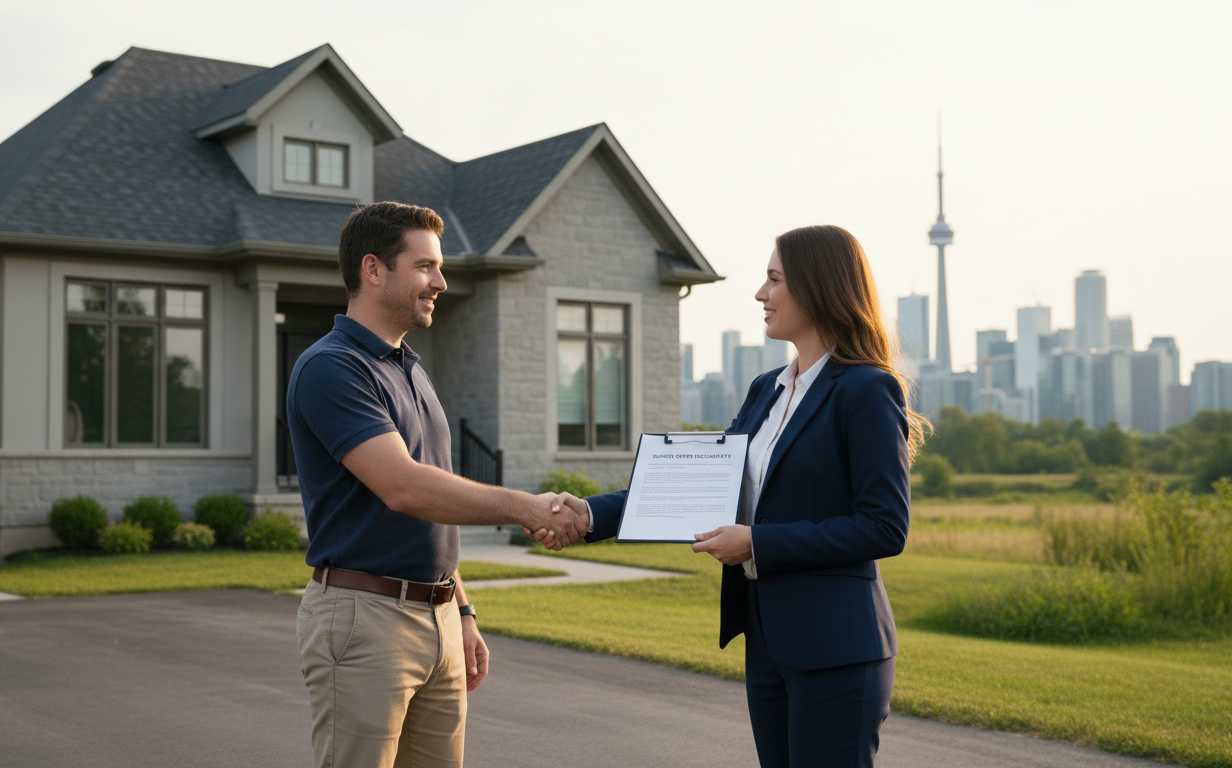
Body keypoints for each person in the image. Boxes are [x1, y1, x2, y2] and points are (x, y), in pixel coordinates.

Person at [544, 225, 927, 767]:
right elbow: (696, 486)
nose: (760, 294)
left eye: (774, 280)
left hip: (837, 649)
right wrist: (587, 514)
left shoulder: (866, 388)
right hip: (768, 640)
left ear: (817, 287)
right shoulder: (765, 389)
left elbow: (884, 527)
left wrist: (757, 543)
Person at [287, 201, 588, 768]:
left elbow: (433, 503)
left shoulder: (410, 368)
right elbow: (405, 487)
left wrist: (462, 610)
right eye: (425, 266)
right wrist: (529, 506)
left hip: (439, 617)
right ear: (373, 269)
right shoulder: (332, 368)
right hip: (365, 619)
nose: (441, 282)